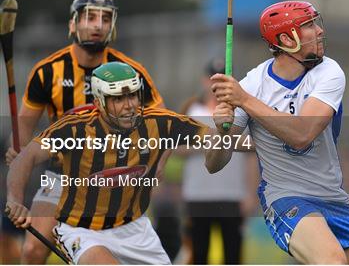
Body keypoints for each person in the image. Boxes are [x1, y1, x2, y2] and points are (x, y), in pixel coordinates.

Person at [4, 0, 164, 264]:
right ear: (73, 24)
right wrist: (16, 149)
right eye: (89, 17)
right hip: (62, 173)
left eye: (105, 18)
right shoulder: (47, 71)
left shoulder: (130, 70)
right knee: (32, 250)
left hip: (115, 175)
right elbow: (23, 130)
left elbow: (161, 127)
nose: (97, 24)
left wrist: (150, 174)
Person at [207, 1, 349, 264]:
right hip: (285, 197)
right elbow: (214, 164)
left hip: (332, 196)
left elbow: (302, 134)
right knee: (333, 261)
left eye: (316, 23)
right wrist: (221, 131)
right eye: (308, 25)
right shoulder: (252, 84)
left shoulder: (328, 72)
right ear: (285, 39)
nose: (319, 31)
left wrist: (244, 100)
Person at [5, 62, 206, 264]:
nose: (129, 105)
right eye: (118, 98)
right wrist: (15, 199)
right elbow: (24, 158)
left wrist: (230, 126)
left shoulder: (154, 121)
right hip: (83, 229)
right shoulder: (74, 128)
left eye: (133, 95)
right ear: (99, 102)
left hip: (134, 229)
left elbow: (221, 139)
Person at [180, 58, 258, 264]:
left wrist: (251, 194)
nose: (216, 86)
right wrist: (212, 137)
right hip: (198, 195)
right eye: (212, 79)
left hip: (232, 196)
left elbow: (251, 153)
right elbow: (177, 146)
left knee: (232, 255)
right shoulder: (191, 110)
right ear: (204, 80)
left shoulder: (241, 112)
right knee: (198, 255)